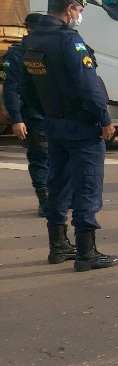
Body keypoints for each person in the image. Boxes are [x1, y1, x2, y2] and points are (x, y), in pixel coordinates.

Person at [22, 0, 118, 272]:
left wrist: (47, 115)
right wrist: (105, 118)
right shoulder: (70, 40)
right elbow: (88, 86)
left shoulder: (31, 41)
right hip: (81, 126)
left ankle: (58, 246)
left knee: (58, 184)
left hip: (53, 124)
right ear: (70, 10)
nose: (80, 16)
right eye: (80, 10)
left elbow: (27, 90)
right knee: (87, 186)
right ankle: (86, 253)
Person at [2, 13, 50, 216]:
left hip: (51, 114)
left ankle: (58, 197)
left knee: (56, 158)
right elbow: (10, 88)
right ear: (30, 29)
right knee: (39, 156)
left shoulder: (46, 49)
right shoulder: (16, 54)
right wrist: (16, 119)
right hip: (31, 115)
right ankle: (44, 199)